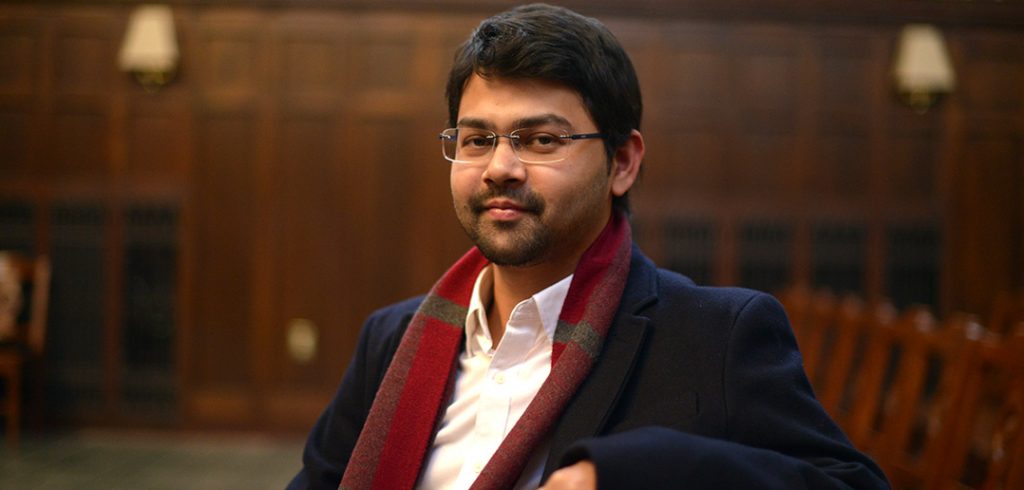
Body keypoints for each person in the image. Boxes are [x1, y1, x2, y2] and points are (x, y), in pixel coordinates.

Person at [288, 4, 889, 489]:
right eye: (476, 140)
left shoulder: (717, 337)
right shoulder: (391, 337)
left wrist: (640, 473)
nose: (499, 167)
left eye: (541, 139)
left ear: (622, 162)